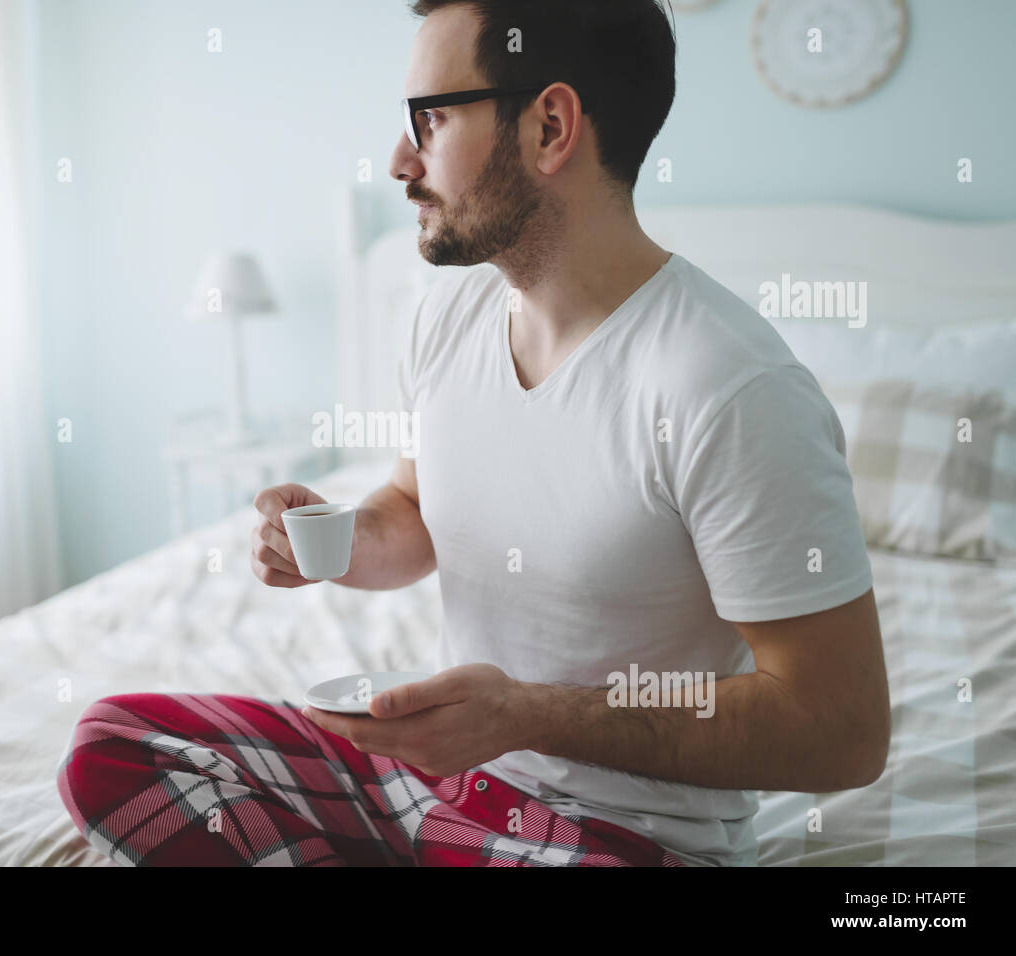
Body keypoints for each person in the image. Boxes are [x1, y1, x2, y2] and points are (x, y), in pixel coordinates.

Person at [57, 0, 890, 867]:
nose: (398, 160)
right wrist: (337, 540)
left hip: (612, 836)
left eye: (432, 117)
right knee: (113, 744)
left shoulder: (727, 385)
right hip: (432, 783)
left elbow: (841, 729)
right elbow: (418, 507)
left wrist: (523, 715)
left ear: (550, 127)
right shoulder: (450, 311)